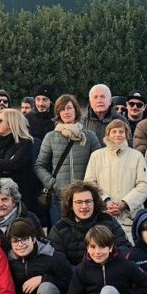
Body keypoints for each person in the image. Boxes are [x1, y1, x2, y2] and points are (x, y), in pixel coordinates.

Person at [34, 95, 103, 225]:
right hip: (59, 198)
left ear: (76, 110)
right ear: (58, 113)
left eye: (69, 108)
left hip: (85, 198)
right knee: (61, 237)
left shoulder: (89, 136)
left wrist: (91, 185)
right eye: (62, 109)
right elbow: (39, 165)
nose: (66, 112)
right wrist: (53, 184)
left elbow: (99, 164)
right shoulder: (51, 137)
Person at [84, 118, 147, 240]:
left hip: (130, 218)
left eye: (121, 131)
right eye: (114, 131)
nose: (117, 135)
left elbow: (144, 185)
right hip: (104, 217)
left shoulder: (137, 156)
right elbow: (89, 182)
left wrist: (125, 203)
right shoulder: (96, 156)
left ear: (127, 135)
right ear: (108, 134)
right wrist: (106, 200)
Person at [48, 181, 129, 265]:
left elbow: (124, 248)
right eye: (79, 202)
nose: (84, 206)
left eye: (88, 201)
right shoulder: (59, 230)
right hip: (75, 276)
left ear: (95, 202)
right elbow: (57, 263)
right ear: (71, 205)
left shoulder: (108, 220)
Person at [0, 107, 40, 210]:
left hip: (19, 197)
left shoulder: (25, 142)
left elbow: (13, 165)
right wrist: (4, 171)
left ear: (11, 122)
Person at [0, 176, 42, 243]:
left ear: (14, 201)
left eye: (4, 199)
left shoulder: (29, 218)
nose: (0, 204)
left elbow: (42, 246)